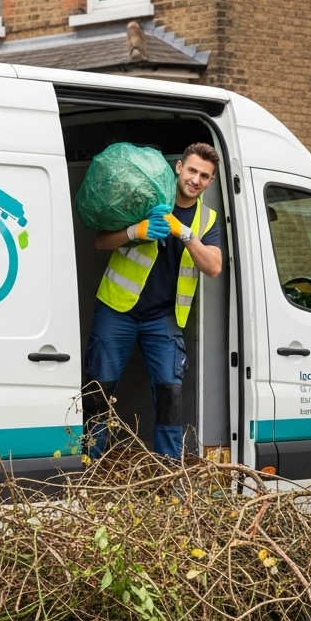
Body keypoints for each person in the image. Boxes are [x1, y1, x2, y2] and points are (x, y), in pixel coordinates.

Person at [83, 142, 224, 459]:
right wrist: (135, 231)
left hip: (162, 318)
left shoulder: (207, 219)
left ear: (211, 181)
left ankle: (168, 476)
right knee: (98, 393)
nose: (195, 180)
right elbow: (101, 241)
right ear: (178, 167)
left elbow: (213, 266)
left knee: (170, 398)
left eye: (204, 175)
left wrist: (184, 233)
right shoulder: (144, 196)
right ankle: (87, 468)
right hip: (116, 310)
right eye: (191, 171)